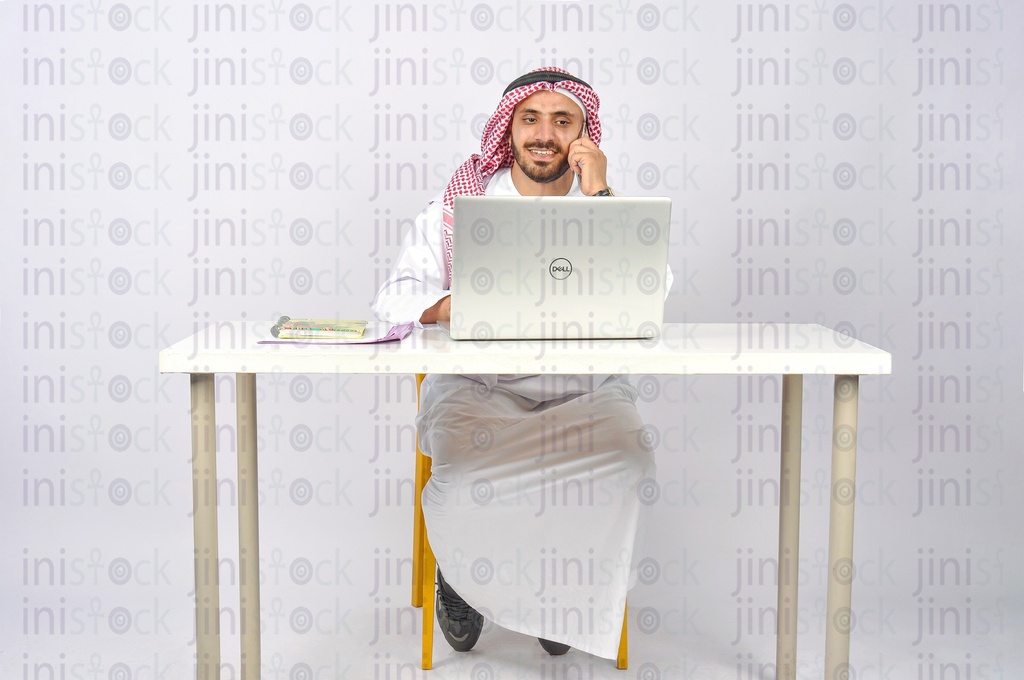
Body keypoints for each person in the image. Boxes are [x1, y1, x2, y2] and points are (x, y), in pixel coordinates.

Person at [372, 67, 665, 661]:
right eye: (530, 119)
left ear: (585, 135)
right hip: (481, 388)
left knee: (627, 453)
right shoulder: (464, 204)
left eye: (563, 121)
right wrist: (455, 304)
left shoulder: (603, 207)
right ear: (510, 129)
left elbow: (649, 293)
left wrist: (600, 193)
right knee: (462, 462)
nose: (544, 134)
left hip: (585, 390)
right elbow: (393, 296)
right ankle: (459, 575)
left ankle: (566, 596)